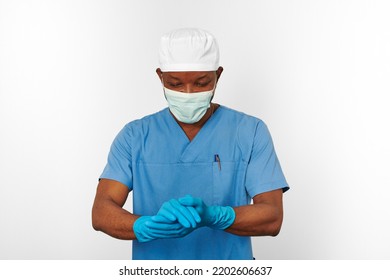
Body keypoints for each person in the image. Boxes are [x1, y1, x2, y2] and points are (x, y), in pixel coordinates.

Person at [92, 28, 289, 260]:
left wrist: (215, 216)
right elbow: (101, 212)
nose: (188, 93)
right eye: (175, 84)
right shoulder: (135, 136)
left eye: (201, 83)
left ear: (218, 75)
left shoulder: (249, 131)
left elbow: (272, 217)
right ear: (160, 76)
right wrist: (145, 225)